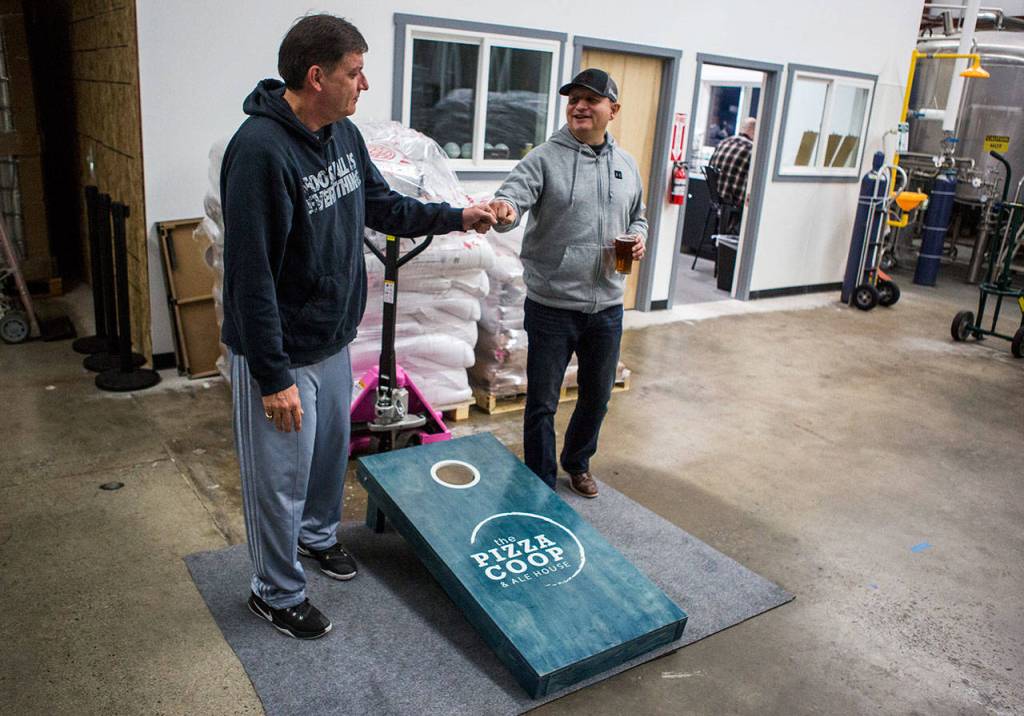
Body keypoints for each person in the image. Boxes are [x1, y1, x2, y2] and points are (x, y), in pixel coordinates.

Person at [220, 14, 495, 640]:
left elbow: (384, 205)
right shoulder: (260, 152)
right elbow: (248, 276)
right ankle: (275, 590)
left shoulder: (342, 133)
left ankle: (317, 540)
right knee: (278, 479)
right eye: (355, 71)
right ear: (317, 77)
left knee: (323, 463)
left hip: (332, 339)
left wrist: (459, 215)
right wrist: (270, 377)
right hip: (282, 353)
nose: (364, 84)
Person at [488, 68, 647, 499]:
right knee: (542, 403)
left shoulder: (626, 165)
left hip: (607, 306)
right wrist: (504, 208)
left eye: (591, 99)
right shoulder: (544, 158)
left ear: (612, 110)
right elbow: (514, 195)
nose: (580, 105)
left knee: (597, 397)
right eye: (574, 98)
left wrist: (639, 239)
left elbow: (638, 215)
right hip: (552, 305)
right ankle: (539, 481)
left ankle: (577, 463)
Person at [708, 117, 756, 232]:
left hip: (716, 197)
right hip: (735, 201)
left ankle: (723, 234)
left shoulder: (723, 142)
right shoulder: (752, 149)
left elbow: (710, 166)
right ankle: (733, 238)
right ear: (755, 132)